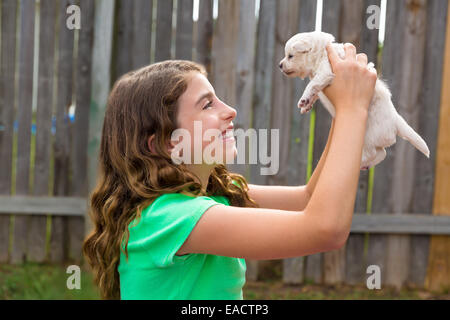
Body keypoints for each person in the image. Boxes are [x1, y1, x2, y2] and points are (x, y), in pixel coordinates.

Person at [82, 43, 377, 300]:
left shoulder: (209, 193)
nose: (230, 110)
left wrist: (344, 111)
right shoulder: (170, 217)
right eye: (208, 104)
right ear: (163, 143)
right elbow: (324, 229)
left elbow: (309, 197)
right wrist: (353, 108)